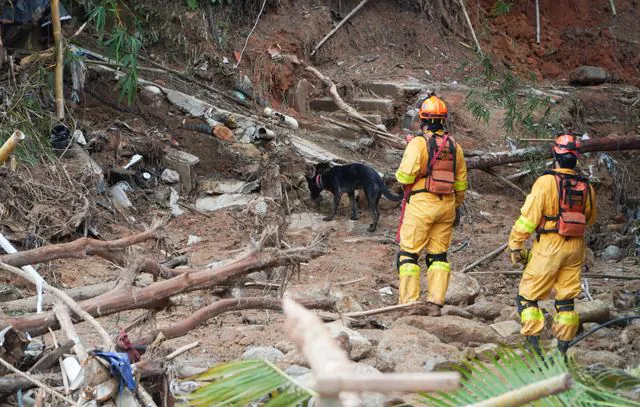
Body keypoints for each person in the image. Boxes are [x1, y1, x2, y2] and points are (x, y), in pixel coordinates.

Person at [508, 133, 597, 355]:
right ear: (576, 159)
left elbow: (528, 219)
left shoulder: (546, 182)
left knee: (527, 297)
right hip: (576, 247)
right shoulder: (587, 186)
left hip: (549, 246)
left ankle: (534, 348)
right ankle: (561, 353)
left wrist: (516, 245)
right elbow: (591, 218)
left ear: (555, 154)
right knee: (566, 301)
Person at [394, 95, 468, 316]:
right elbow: (461, 183)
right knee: (438, 257)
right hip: (447, 205)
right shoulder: (455, 146)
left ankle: (410, 304)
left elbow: (405, 177)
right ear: (444, 120)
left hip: (421, 205)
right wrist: (455, 206)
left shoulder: (418, 143)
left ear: (422, 119)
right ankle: (435, 303)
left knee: (408, 255)